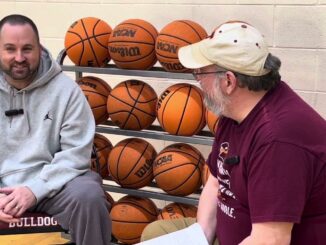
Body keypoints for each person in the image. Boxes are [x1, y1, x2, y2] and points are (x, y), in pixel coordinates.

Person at [141, 21, 326, 244]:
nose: (197, 79)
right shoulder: (234, 111)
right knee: (155, 233)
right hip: (236, 232)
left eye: (201, 72)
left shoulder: (278, 139)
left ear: (229, 81)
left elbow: (272, 240)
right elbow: (217, 180)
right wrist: (202, 237)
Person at [0, 14, 111, 245]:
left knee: (88, 194)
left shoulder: (66, 91)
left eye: (27, 49)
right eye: (10, 49)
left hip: (52, 186)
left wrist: (35, 189)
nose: (19, 57)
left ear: (39, 49)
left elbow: (76, 154)